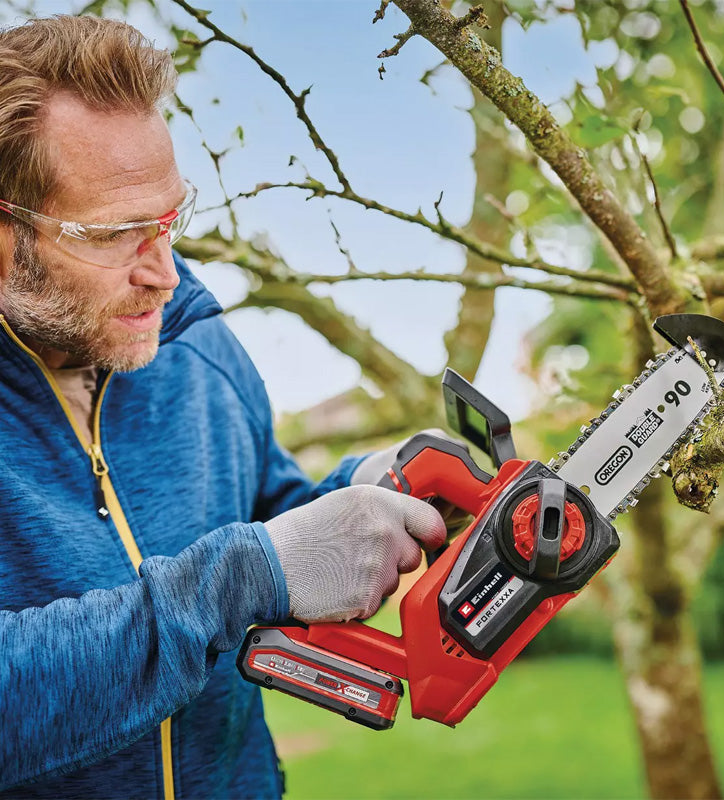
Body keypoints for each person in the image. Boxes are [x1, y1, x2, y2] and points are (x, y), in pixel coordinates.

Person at [0, 15, 448, 798]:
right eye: (119, 234)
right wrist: (232, 583)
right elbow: (245, 571)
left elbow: (268, 522)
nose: (166, 275)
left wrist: (365, 491)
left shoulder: (198, 350)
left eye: (170, 219)